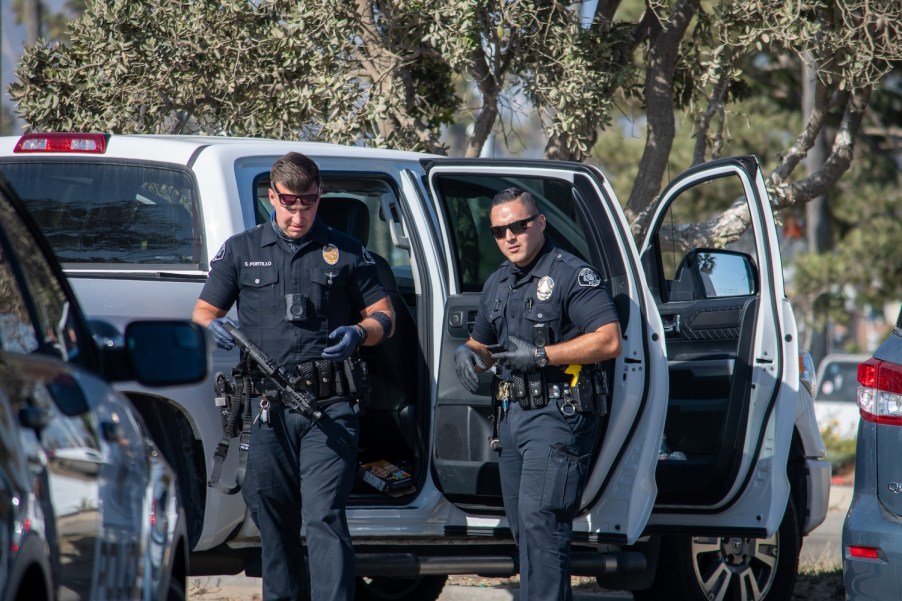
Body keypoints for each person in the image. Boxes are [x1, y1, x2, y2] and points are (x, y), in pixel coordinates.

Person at [193, 151, 394, 601]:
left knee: (324, 515)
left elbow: (385, 316)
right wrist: (214, 327)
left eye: (308, 203)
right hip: (267, 408)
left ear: (319, 196)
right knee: (272, 515)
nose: (298, 215)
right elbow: (204, 312)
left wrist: (360, 332)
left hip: (330, 407)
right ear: (272, 197)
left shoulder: (346, 250)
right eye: (289, 204)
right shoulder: (242, 250)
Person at [454, 187, 621, 601]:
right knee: (525, 528)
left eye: (519, 226)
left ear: (540, 223)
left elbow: (608, 339)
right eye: (499, 231)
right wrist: (468, 354)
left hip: (558, 413)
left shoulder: (570, 274)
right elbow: (482, 343)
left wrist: (543, 355)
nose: (509, 237)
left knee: (541, 521)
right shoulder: (499, 281)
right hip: (513, 416)